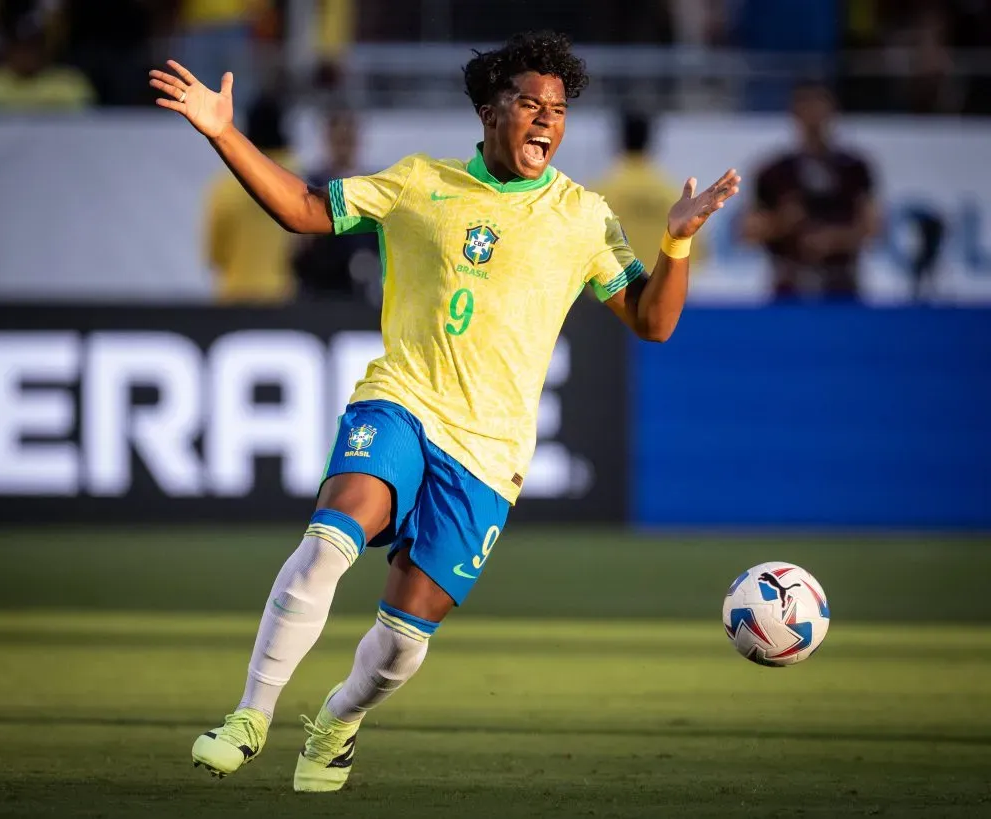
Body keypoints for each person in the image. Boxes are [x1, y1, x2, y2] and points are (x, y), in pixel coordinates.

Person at [149, 30, 738, 793]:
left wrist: (678, 243)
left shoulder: (584, 218)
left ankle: (338, 722)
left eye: (557, 109)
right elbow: (300, 208)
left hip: (490, 452)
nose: (546, 121)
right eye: (529, 103)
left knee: (401, 642)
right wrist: (224, 130)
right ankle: (250, 715)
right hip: (402, 399)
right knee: (331, 537)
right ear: (490, 111)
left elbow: (653, 323)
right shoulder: (416, 185)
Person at [741, 81, 880, 301]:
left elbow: (873, 227)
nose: (813, 114)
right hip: (790, 282)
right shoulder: (774, 172)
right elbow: (748, 231)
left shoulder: (854, 169)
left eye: (818, 104)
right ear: (794, 112)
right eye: (806, 105)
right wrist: (781, 222)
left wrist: (834, 239)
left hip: (841, 283)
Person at [204, 92, 299, 304]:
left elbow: (215, 255)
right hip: (282, 299)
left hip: (234, 297)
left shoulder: (225, 186)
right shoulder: (297, 179)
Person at [591, 110, 707, 270]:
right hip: (660, 288)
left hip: (610, 289)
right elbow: (695, 252)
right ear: (650, 142)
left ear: (619, 141)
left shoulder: (598, 193)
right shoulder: (673, 195)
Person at [292, 107, 382, 303]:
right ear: (328, 141)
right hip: (318, 288)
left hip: (361, 292)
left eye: (348, 140)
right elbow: (297, 247)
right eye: (338, 140)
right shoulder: (312, 184)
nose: (343, 147)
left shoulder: (373, 186)